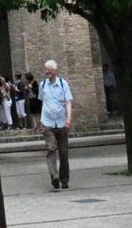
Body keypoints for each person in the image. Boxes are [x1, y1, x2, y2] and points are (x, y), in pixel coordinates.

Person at [39, 59, 73, 191]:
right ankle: (54, 176)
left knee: (64, 153)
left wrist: (68, 119)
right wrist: (40, 122)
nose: (47, 71)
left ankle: (64, 179)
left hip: (61, 123)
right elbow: (42, 102)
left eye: (49, 69)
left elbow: (68, 102)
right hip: (47, 123)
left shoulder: (63, 84)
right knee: (51, 149)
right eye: (45, 69)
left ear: (55, 71)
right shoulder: (43, 85)